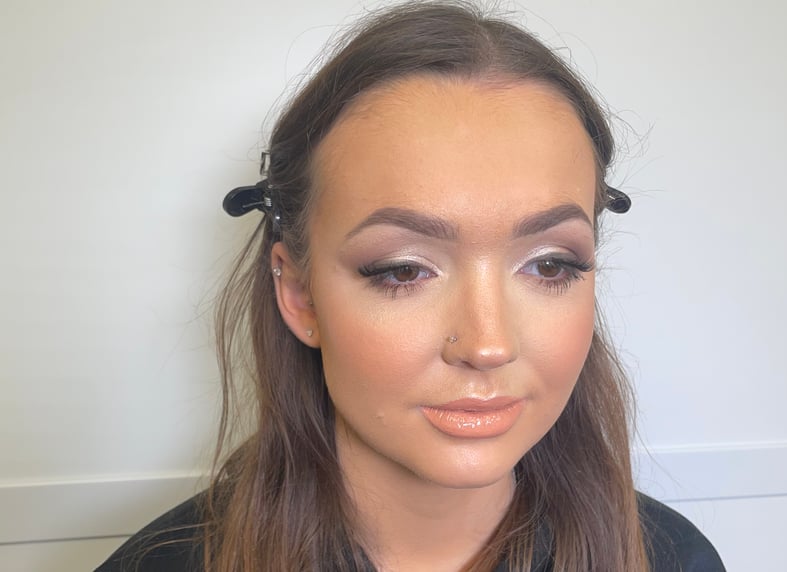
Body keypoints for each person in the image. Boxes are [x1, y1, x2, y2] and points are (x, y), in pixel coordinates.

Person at [96, 2, 725, 571]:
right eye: (403, 269)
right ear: (299, 295)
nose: (487, 346)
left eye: (550, 265)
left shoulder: (675, 560)